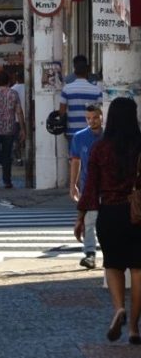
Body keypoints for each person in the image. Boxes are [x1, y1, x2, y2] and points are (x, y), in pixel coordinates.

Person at [74, 97, 141, 344]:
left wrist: (81, 216)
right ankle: (134, 328)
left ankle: (118, 309)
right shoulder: (139, 145)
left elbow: (90, 187)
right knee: (138, 268)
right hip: (138, 213)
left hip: (110, 212)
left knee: (113, 264)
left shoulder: (100, 148)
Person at [70, 104, 103, 270]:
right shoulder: (79, 137)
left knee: (104, 221)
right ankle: (90, 253)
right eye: (88, 118)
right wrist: (73, 185)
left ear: (101, 117)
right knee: (89, 221)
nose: (92, 121)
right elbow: (76, 161)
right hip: (88, 186)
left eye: (95, 117)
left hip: (108, 186)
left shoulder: (109, 136)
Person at [60, 56, 103, 139]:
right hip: (91, 131)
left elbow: (62, 112)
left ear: (74, 70)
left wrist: (65, 129)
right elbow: (100, 112)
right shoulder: (96, 90)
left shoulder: (66, 88)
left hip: (72, 132)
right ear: (87, 70)